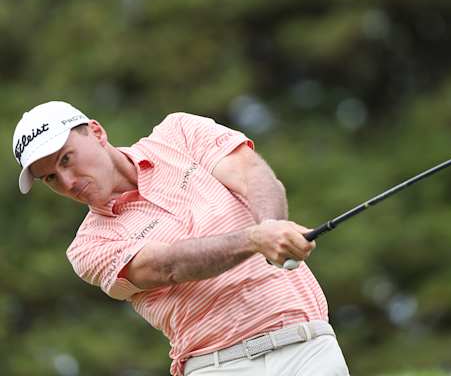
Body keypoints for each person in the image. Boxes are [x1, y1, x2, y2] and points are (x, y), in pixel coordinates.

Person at [11, 101, 349, 376]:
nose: (67, 181)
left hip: (309, 349)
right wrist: (256, 239)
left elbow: (252, 175)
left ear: (97, 133)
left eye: (66, 159)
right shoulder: (89, 248)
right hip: (221, 367)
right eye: (51, 178)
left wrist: (274, 226)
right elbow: (167, 266)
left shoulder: (179, 134)